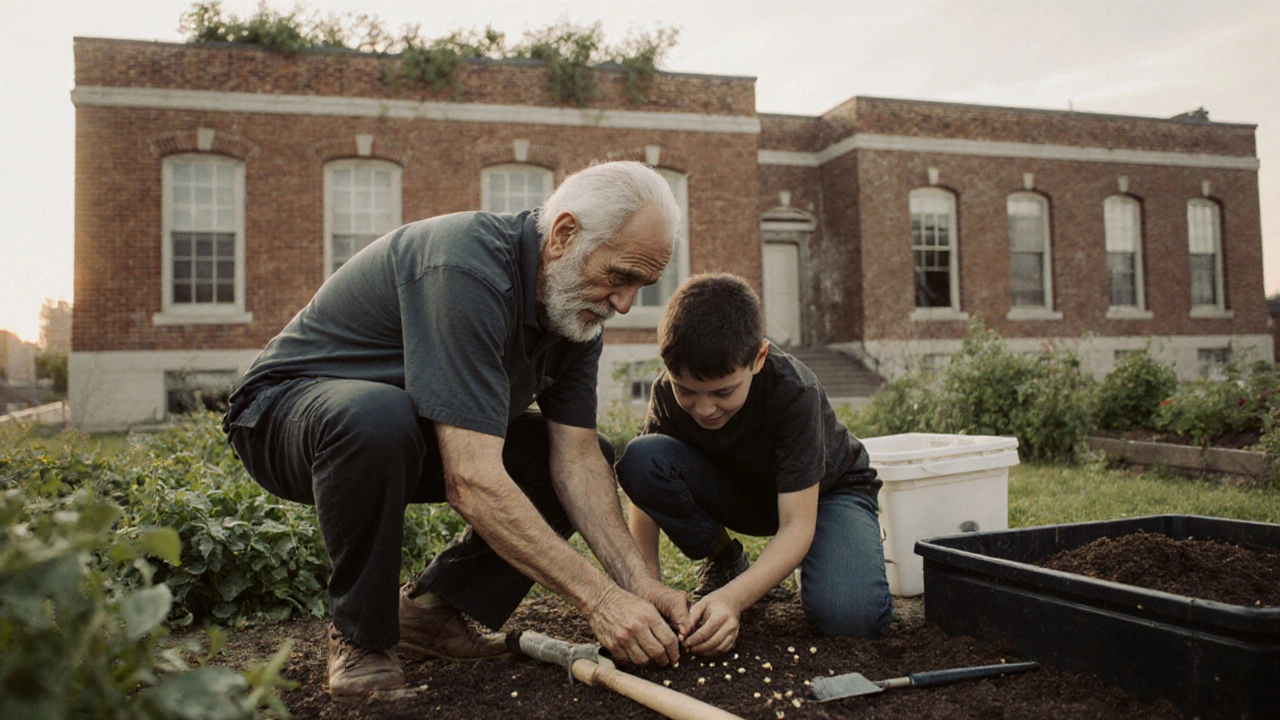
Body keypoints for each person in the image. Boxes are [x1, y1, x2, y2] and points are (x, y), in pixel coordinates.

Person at [222, 161, 693, 699]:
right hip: (285, 417)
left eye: (642, 284)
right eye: (620, 275)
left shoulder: (575, 311)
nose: (625, 302)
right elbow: (471, 479)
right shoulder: (467, 266)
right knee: (377, 416)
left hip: (406, 430)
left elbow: (578, 459)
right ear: (564, 235)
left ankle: (430, 612)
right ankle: (360, 636)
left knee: (564, 453)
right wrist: (601, 602)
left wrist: (640, 584)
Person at [615, 273, 893, 657]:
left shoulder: (795, 391)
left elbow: (797, 524)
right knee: (641, 457)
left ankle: (838, 546)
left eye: (723, 391)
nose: (705, 408)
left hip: (826, 495)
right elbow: (642, 493)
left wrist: (732, 601)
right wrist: (647, 590)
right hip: (741, 491)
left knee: (851, 618)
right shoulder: (666, 392)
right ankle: (728, 561)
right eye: (687, 391)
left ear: (759, 358)